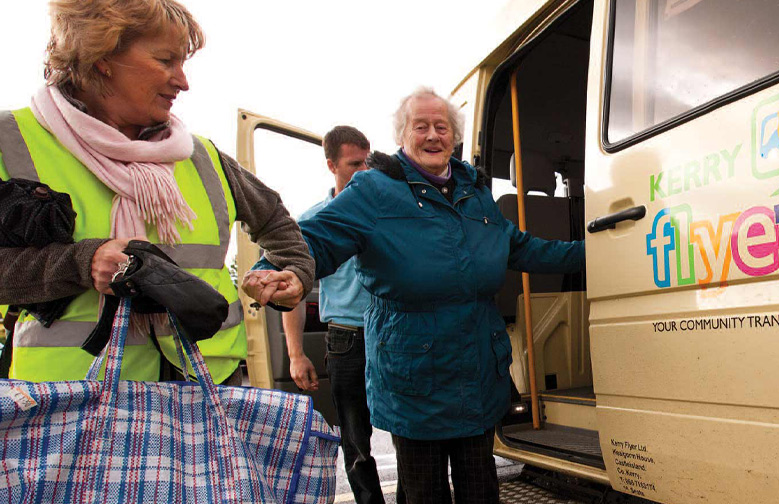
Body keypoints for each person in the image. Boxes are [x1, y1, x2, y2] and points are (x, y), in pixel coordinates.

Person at [251, 87, 585, 503]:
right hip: (415, 379)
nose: (432, 136)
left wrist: (592, 251)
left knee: (481, 489)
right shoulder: (373, 190)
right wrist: (279, 269)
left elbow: (518, 246)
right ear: (402, 136)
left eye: (441, 127)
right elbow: (316, 237)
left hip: (477, 372)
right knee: (424, 494)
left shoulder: (475, 192)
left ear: (454, 136)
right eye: (420, 126)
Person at [0, 0, 312, 385]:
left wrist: (289, 273)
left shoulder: (202, 156)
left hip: (205, 392)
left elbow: (277, 223)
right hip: (71, 407)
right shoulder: (11, 140)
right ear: (103, 57)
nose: (183, 81)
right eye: (166, 61)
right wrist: (81, 262)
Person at [285, 126, 391, 504]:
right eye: (353, 163)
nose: (364, 171)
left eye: (368, 162)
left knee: (409, 429)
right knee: (355, 438)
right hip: (347, 337)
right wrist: (296, 354)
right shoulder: (315, 221)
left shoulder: (388, 214)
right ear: (331, 164)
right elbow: (292, 292)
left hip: (394, 333)